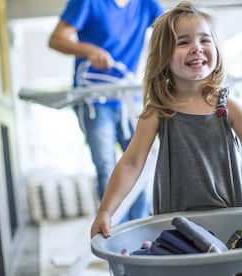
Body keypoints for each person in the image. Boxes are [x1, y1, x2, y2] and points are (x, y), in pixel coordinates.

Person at [91, 1, 242, 238]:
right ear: (163, 56)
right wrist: (106, 211)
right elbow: (130, 164)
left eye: (205, 40)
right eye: (183, 42)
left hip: (237, 211)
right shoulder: (157, 112)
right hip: (180, 222)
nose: (196, 47)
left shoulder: (230, 108)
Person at [48, 0, 164, 222]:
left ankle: (139, 233)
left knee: (144, 162)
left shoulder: (145, 4)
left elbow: (171, 26)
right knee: (106, 168)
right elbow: (56, 39)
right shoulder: (87, 2)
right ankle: (112, 235)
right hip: (94, 100)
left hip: (129, 98)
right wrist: (90, 50)